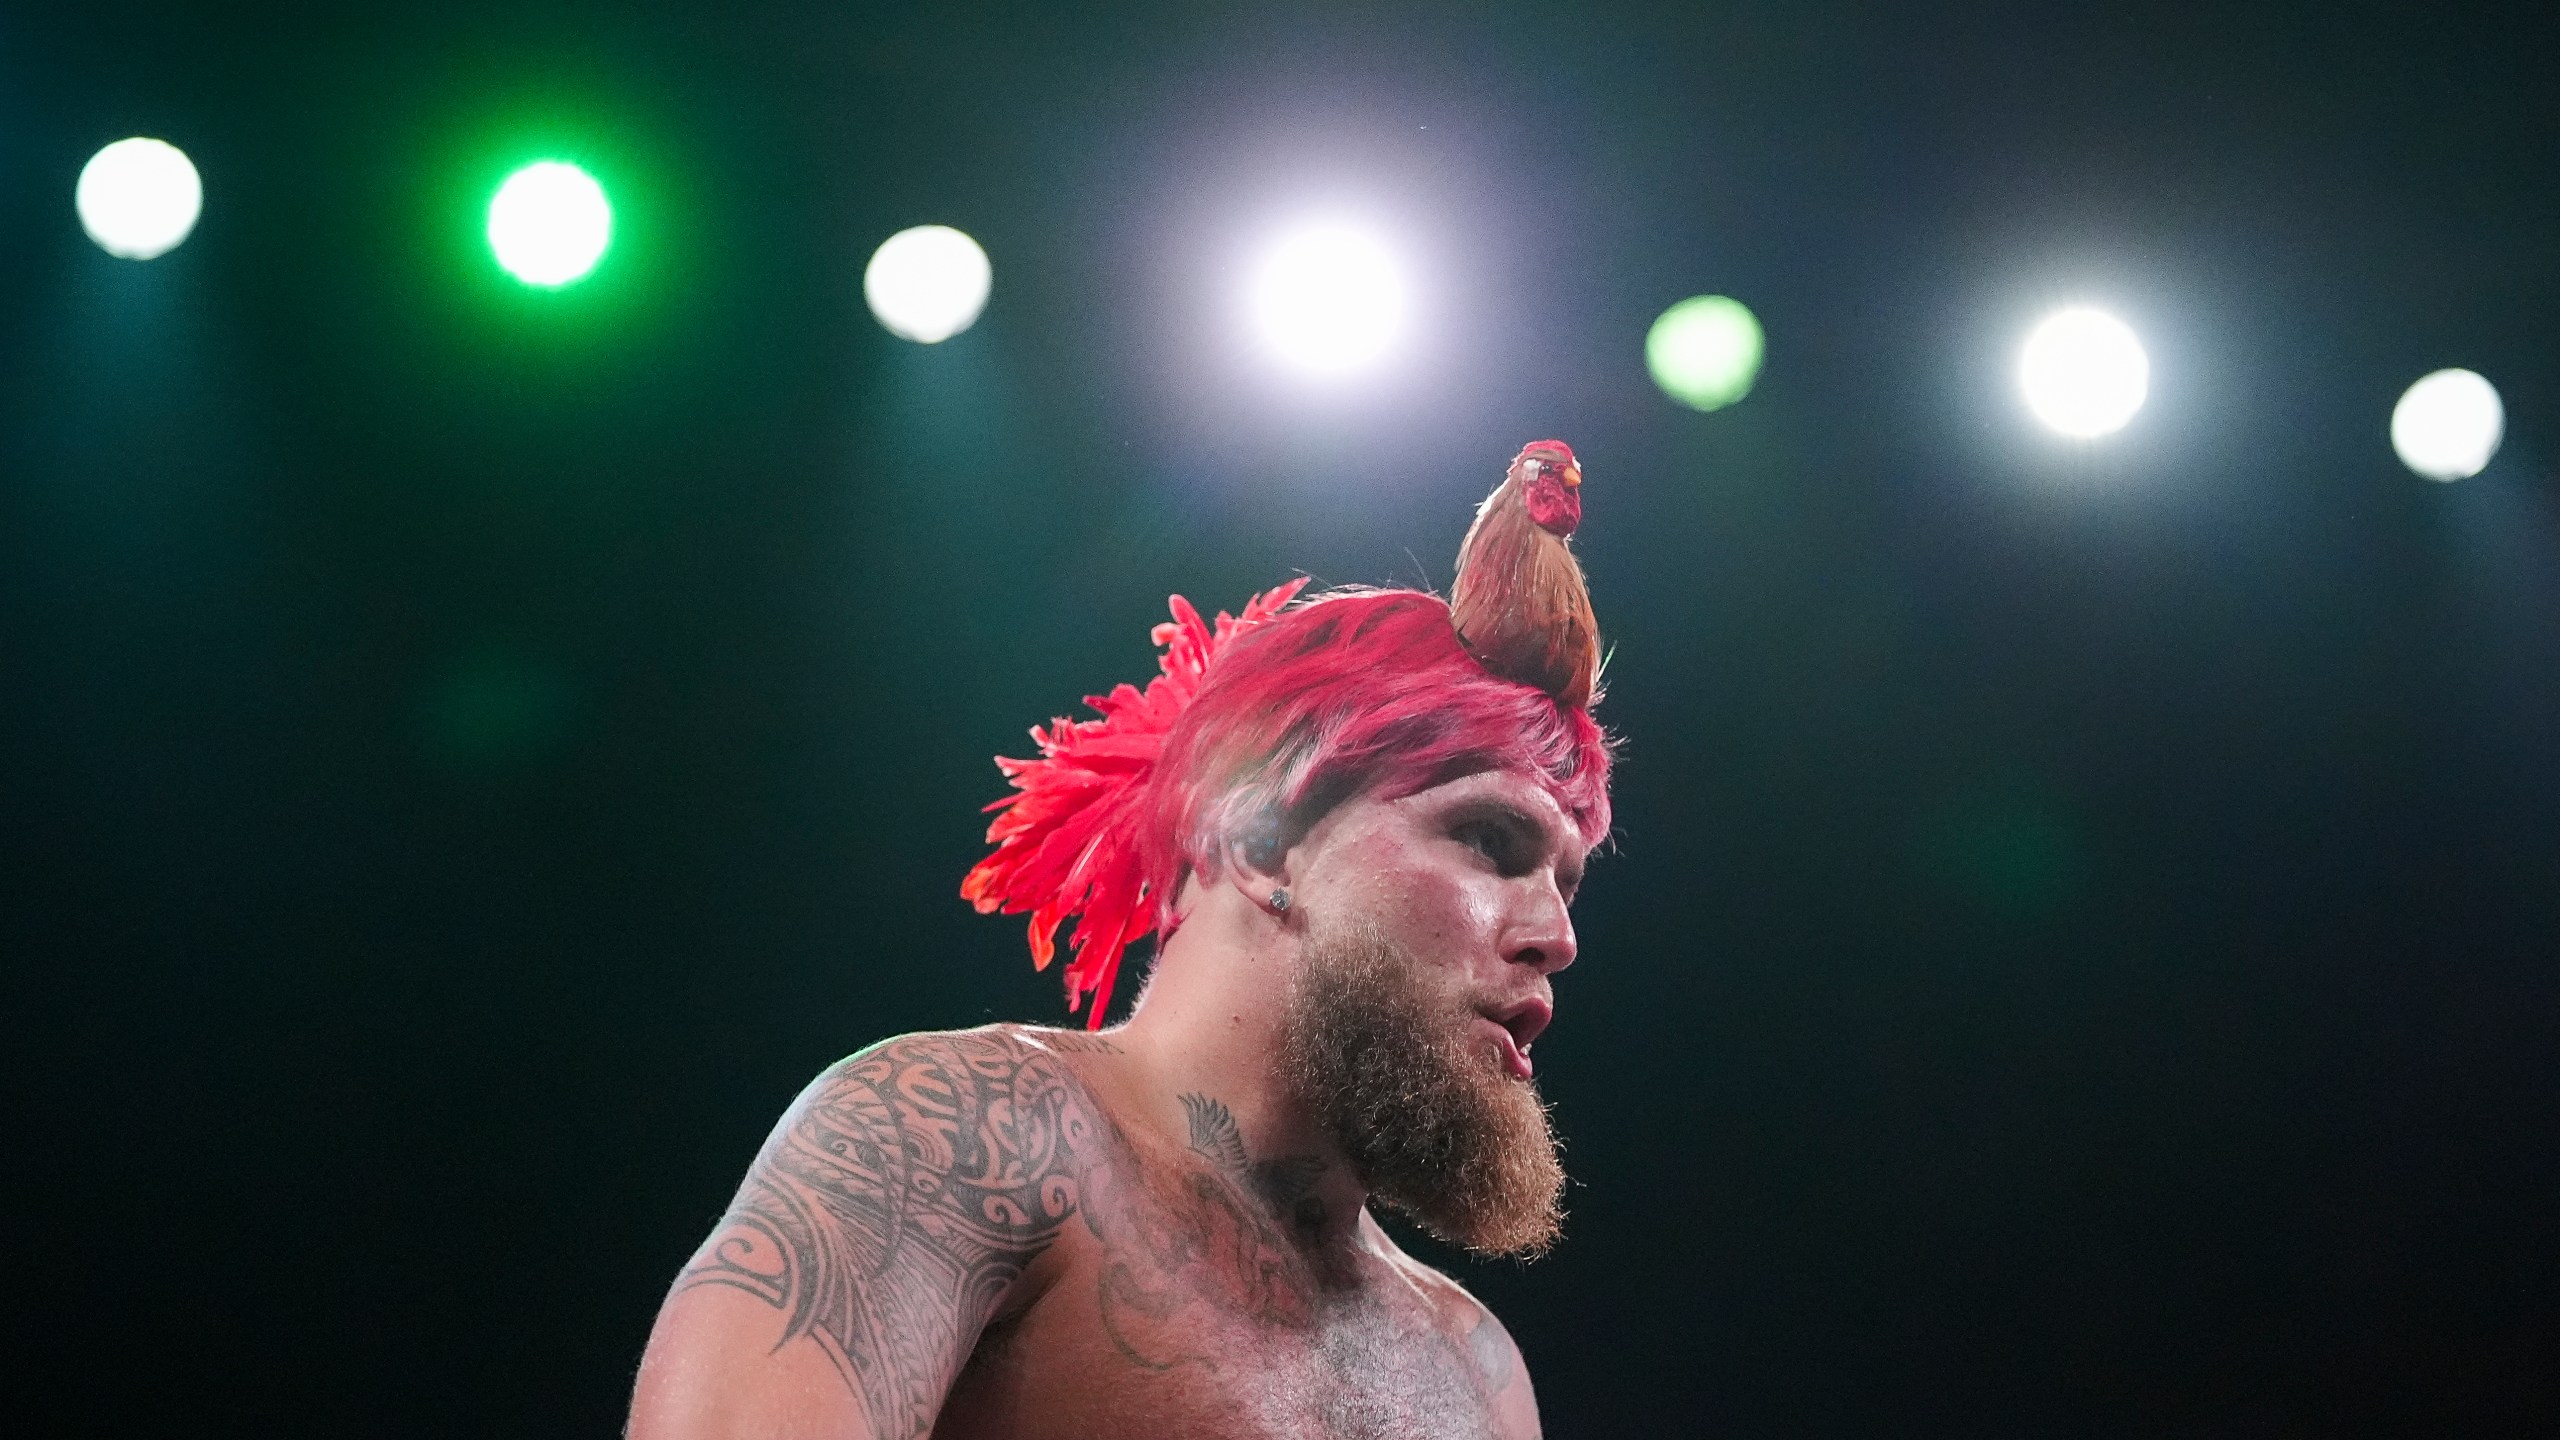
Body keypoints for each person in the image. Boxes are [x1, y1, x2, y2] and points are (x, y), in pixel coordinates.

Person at [630, 441, 1614, 1439]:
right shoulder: (967, 1138)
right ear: (1263, 843)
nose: (1558, 937)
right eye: (1492, 841)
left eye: (1568, 883)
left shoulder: (1474, 1368)